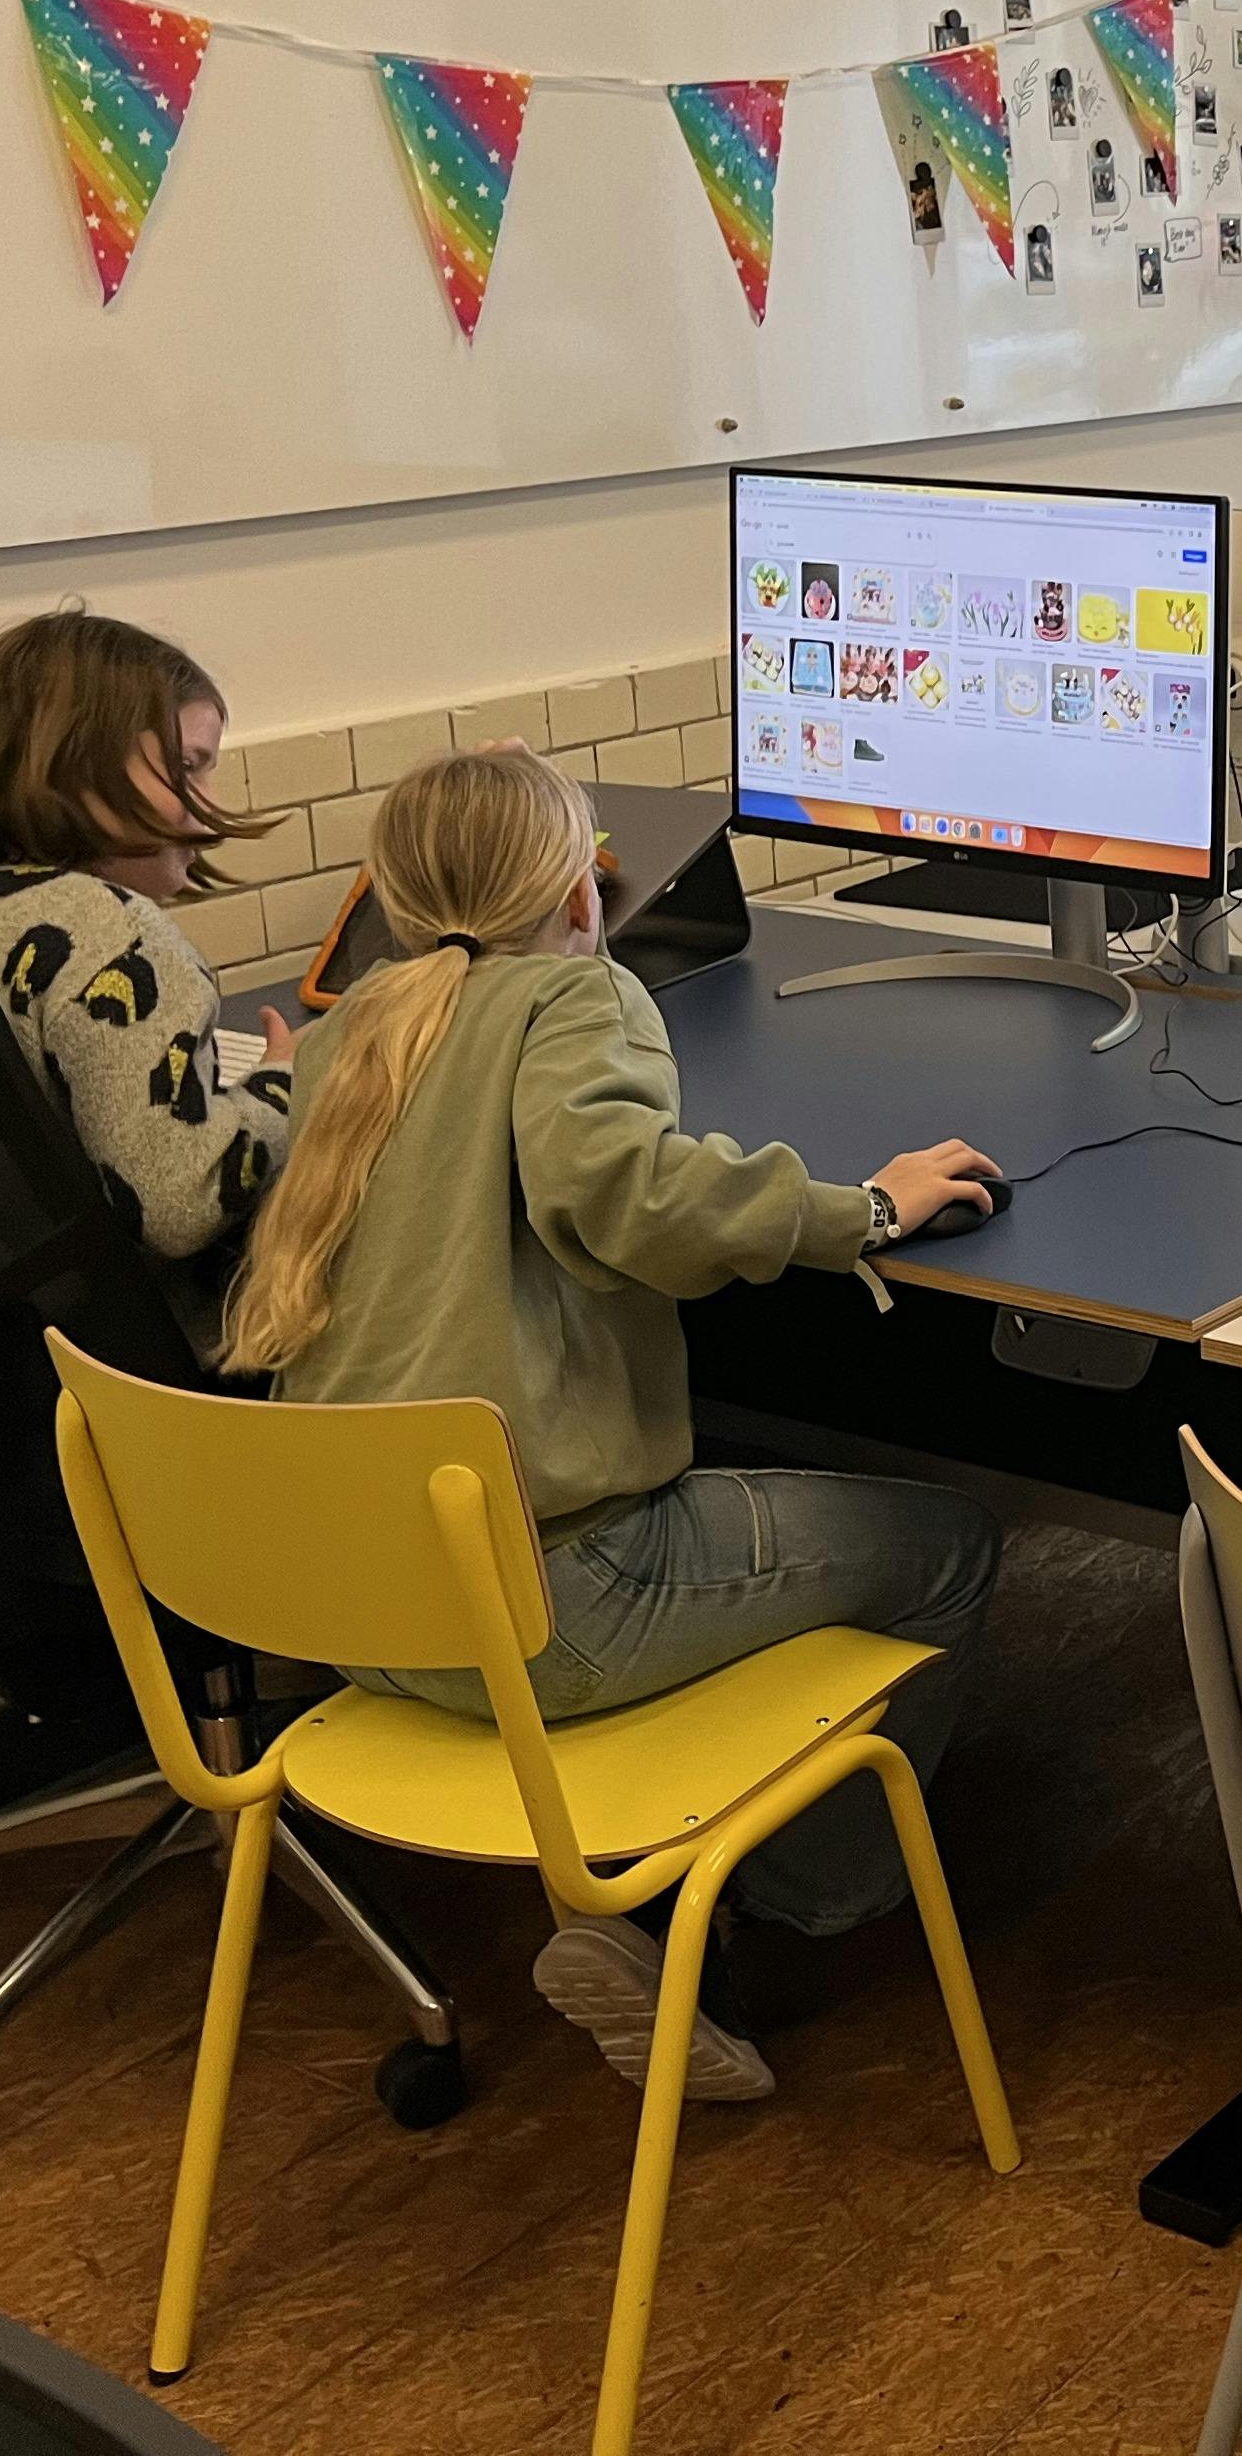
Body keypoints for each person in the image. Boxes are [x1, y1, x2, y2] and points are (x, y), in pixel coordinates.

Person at [219, 744, 1010, 2103]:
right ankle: (778, 1905)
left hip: (361, 1615)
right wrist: (862, 1210)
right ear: (583, 903)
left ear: (395, 906)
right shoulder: (579, 998)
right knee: (950, 1543)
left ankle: (668, 1897)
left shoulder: (347, 1036)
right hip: (552, 1604)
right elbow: (624, 1193)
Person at [0, 609, 303, 1360]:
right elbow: (178, 1205)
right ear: (79, 770)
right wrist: (279, 1089)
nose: (209, 796)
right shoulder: (119, 940)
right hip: (143, 1362)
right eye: (191, 765)